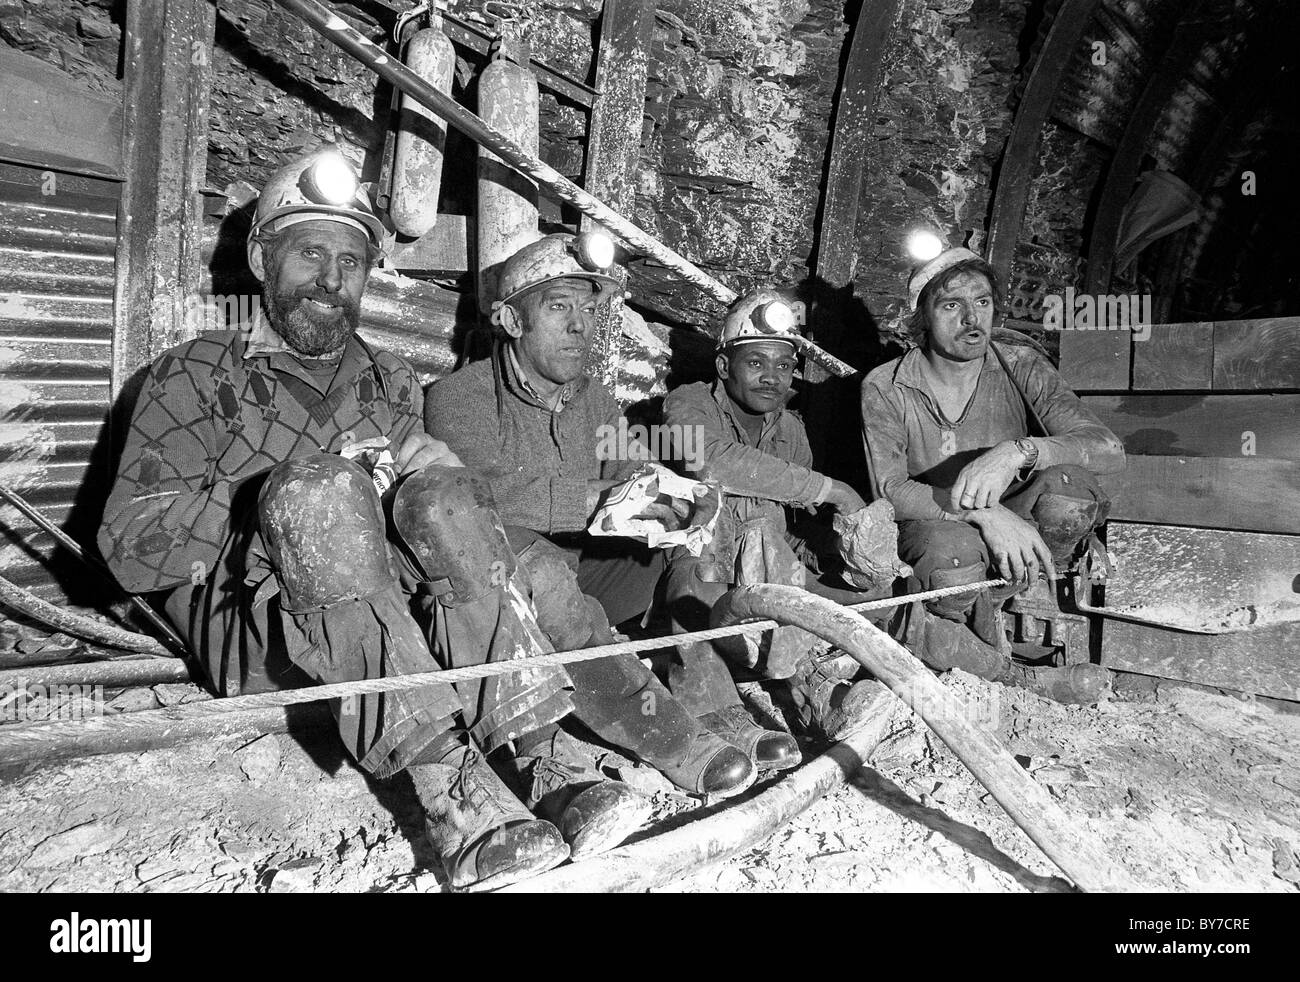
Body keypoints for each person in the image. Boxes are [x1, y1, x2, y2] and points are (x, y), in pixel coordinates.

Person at [97, 150, 646, 892]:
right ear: (262, 261)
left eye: (351, 261)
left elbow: (428, 523)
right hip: (257, 631)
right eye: (310, 253)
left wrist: (426, 476)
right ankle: (455, 803)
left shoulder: (388, 381)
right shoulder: (190, 373)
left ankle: (540, 753)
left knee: (446, 491)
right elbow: (126, 543)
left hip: (390, 627)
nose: (331, 278)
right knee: (320, 491)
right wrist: (282, 509)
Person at [425, 232, 755, 800]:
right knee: (545, 569)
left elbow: (632, 472)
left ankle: (712, 698)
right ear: (510, 320)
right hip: (510, 597)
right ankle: (670, 736)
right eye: (559, 307)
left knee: (693, 537)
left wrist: (673, 500)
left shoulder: (596, 401)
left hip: (591, 579)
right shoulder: (459, 397)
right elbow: (482, 498)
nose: (582, 326)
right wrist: (602, 499)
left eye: (589, 309)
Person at [860, 247, 1124, 703]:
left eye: (981, 302)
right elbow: (889, 491)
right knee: (951, 553)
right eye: (951, 306)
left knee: (1070, 491)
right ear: (922, 316)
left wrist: (1017, 452)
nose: (970, 319)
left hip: (1019, 516)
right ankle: (965, 633)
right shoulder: (885, 386)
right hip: (936, 523)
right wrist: (987, 514)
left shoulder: (1020, 365)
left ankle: (1010, 591)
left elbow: (1108, 450)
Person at [660, 288, 892, 763]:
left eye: (784, 366)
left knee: (875, 594)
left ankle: (821, 694)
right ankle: (727, 716)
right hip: (704, 569)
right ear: (724, 367)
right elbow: (712, 462)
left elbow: (789, 532)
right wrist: (832, 490)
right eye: (756, 363)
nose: (772, 377)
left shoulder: (791, 430)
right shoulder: (686, 405)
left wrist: (847, 552)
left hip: (770, 571)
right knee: (692, 600)